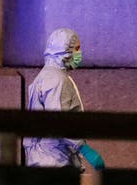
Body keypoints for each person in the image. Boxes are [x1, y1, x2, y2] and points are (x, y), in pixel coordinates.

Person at [23, 28, 105, 172]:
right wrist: (85, 150)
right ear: (64, 52)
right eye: (76, 49)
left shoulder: (45, 77)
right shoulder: (57, 80)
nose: (79, 53)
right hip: (54, 160)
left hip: (46, 158)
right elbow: (60, 121)